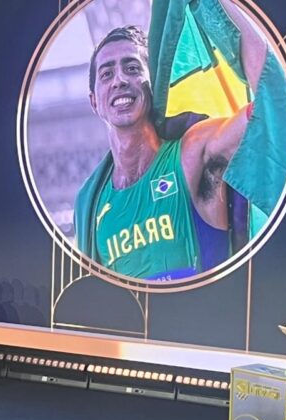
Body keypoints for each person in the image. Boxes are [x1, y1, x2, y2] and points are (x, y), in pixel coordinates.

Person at [74, 1, 269, 281]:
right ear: (94, 102)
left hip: (204, 321)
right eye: (106, 74)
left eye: (132, 68)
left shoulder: (191, 153)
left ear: (152, 85)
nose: (119, 80)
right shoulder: (89, 205)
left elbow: (268, 103)